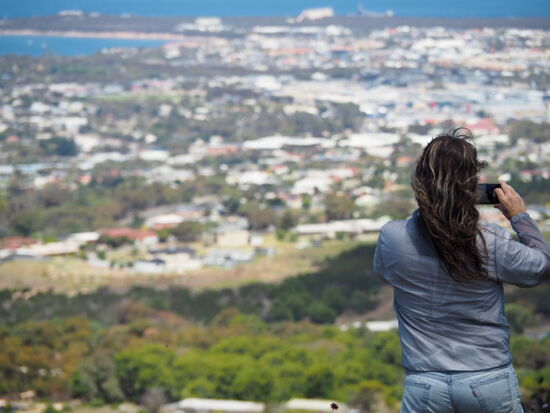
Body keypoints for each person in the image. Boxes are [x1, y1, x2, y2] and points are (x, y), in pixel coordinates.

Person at [373, 128, 550, 413]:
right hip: (488, 380)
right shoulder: (490, 241)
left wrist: (430, 210)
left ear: (420, 183)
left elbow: (385, 273)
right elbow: (542, 268)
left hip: (424, 385)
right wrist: (520, 218)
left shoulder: (392, 238)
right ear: (471, 186)